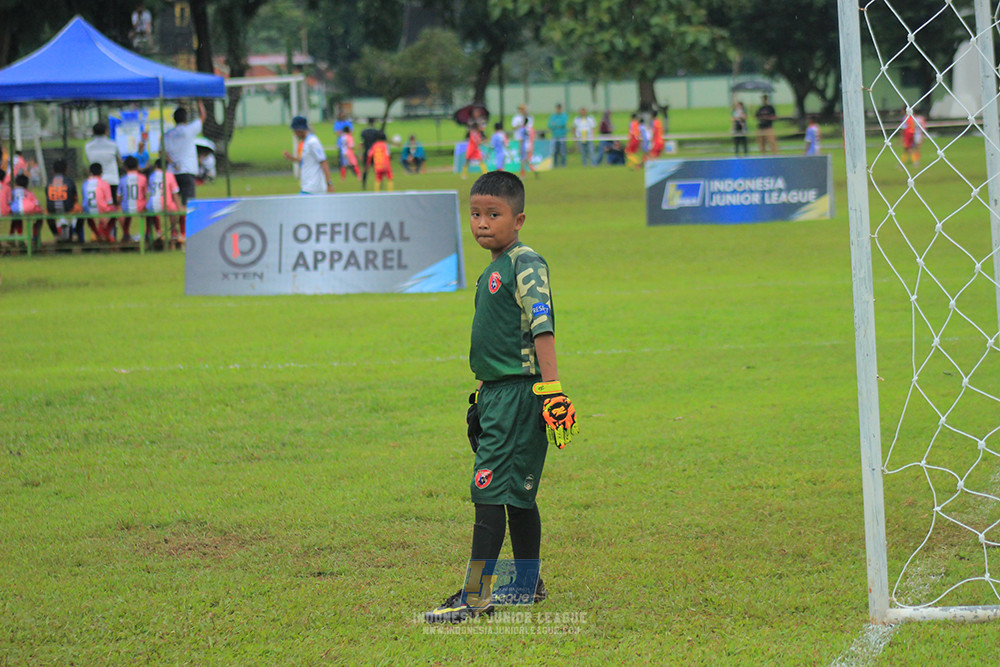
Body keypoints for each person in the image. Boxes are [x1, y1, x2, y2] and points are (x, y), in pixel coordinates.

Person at [424, 171, 578, 624]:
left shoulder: (524, 263)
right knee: (518, 493)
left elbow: (542, 327)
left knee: (489, 485)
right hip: (497, 394)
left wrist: (551, 391)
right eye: (475, 214)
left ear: (519, 218)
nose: (482, 223)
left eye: (494, 214)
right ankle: (527, 585)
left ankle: (476, 596)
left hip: (520, 394)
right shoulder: (493, 267)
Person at [164, 100, 206, 238]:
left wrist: (174, 162)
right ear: (186, 119)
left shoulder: (168, 134)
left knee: (174, 205)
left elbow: (163, 153)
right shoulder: (189, 130)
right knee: (188, 203)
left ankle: (174, 231)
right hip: (187, 172)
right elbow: (203, 117)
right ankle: (187, 231)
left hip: (172, 173)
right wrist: (199, 102)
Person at [282, 115, 333, 194]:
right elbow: (306, 161)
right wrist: (291, 158)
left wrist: (329, 184)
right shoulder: (305, 142)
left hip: (313, 188)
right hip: (307, 186)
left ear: (300, 130)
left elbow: (323, 162)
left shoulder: (313, 142)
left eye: (295, 131)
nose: (295, 134)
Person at [146, 159, 184, 242]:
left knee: (151, 209)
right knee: (174, 208)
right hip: (166, 204)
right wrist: (179, 207)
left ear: (156, 166)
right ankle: (174, 231)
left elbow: (149, 192)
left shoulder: (152, 176)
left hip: (151, 205)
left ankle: (157, 231)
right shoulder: (169, 175)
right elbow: (175, 193)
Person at [85, 122, 121, 204]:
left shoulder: (88, 146)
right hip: (112, 179)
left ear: (93, 132)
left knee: (97, 205)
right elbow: (119, 160)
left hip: (95, 181)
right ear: (106, 131)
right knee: (113, 205)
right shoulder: (113, 145)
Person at [79, 162, 115, 242]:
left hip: (87, 209)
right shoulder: (104, 184)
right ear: (101, 172)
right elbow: (109, 202)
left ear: (90, 172)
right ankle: (104, 234)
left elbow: (84, 199)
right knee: (115, 212)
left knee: (87, 215)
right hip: (101, 209)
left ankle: (97, 233)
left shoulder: (85, 184)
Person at [44, 158, 78, 242]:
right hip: (68, 208)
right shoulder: (69, 181)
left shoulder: (49, 182)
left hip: (52, 209)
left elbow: (47, 196)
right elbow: (75, 198)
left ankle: (56, 234)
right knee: (80, 210)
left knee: (46, 212)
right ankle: (75, 233)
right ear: (66, 170)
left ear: (53, 170)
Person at [117, 155, 148, 242]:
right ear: (137, 166)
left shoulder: (123, 179)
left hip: (126, 207)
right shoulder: (143, 178)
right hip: (140, 206)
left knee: (126, 213)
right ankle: (148, 233)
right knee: (151, 213)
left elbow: (118, 196)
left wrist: (119, 205)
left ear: (125, 167)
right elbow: (145, 193)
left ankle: (126, 233)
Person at [8, 173, 42, 241]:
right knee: (40, 217)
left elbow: (9, 202)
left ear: (16, 183)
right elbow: (36, 203)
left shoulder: (12, 192)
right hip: (28, 209)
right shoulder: (28, 192)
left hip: (15, 210)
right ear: (26, 185)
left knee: (16, 217)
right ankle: (35, 236)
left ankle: (14, 236)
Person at [360, 118, 382, 190]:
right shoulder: (376, 131)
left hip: (367, 151)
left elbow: (362, 142)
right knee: (376, 169)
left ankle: (364, 184)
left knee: (366, 169)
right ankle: (379, 184)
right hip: (375, 152)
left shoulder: (364, 132)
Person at [548, 103, 568, 168]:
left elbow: (562, 124)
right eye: (557, 108)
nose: (558, 109)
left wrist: (555, 125)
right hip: (555, 136)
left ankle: (563, 164)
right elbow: (550, 125)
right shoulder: (553, 116)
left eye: (559, 108)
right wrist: (557, 125)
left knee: (563, 151)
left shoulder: (564, 116)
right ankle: (555, 164)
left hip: (562, 135)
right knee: (554, 151)